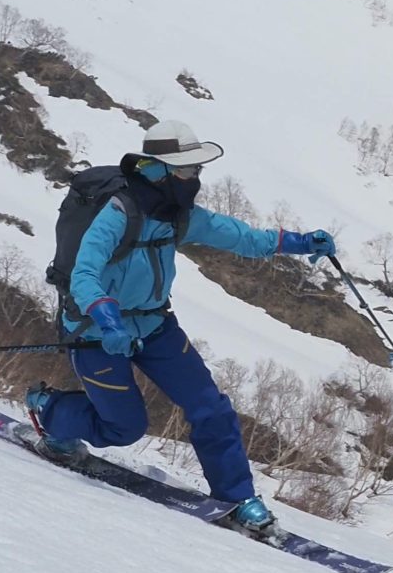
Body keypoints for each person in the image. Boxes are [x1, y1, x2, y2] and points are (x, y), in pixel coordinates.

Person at [25, 120, 336, 537]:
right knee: (123, 428)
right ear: (161, 169)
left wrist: (301, 243)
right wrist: (107, 319)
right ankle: (51, 410)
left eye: (197, 169)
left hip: (154, 325)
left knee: (211, 407)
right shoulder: (117, 212)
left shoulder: (178, 215)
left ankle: (237, 496)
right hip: (96, 332)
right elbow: (85, 274)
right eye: (189, 169)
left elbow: (242, 238)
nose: (196, 177)